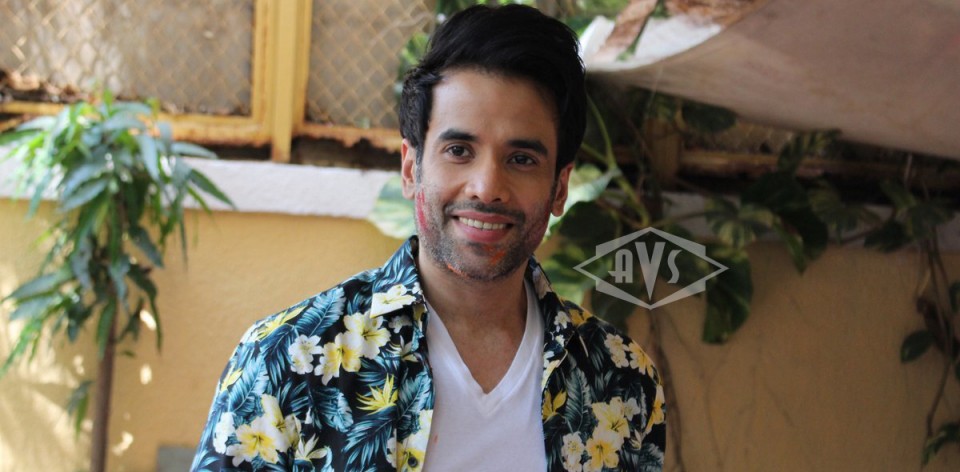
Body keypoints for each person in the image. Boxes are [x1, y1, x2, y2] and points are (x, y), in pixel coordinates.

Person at [191, 4, 665, 471]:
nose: (486, 187)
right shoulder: (286, 362)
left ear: (560, 187)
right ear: (410, 168)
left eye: (521, 159)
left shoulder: (621, 382)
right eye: (459, 150)